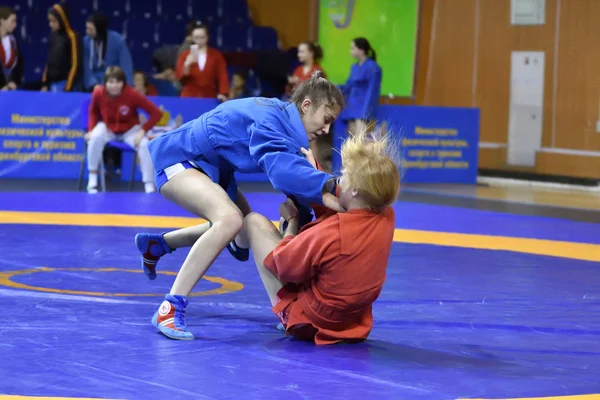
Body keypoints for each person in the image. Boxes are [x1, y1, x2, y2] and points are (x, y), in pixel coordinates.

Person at [134, 72, 345, 340]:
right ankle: (169, 307)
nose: (327, 130)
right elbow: (282, 171)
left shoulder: (286, 126)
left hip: (212, 169)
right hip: (179, 158)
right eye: (326, 120)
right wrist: (331, 187)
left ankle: (160, 244)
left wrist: (304, 212)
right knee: (230, 220)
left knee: (249, 231)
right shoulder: (270, 120)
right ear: (306, 106)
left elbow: (296, 185)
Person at [243, 131, 399, 345]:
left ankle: (237, 240)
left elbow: (283, 265)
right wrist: (314, 174)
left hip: (312, 323)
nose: (337, 181)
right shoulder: (386, 215)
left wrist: (293, 223)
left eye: (342, 176)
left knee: (253, 222)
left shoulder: (333, 232)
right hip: (353, 322)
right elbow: (345, 208)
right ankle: (233, 237)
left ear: (354, 190)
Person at [85, 66, 162, 194]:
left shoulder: (132, 94)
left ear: (123, 83)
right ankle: (92, 179)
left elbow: (156, 113)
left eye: (118, 82)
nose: (114, 86)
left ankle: (149, 184)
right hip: (108, 127)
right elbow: (93, 111)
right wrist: (90, 129)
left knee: (144, 145)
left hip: (130, 130)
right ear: (105, 83)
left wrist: (143, 130)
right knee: (94, 138)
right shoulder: (98, 93)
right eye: (110, 82)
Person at [339, 37, 382, 136]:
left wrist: (366, 111)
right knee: (351, 140)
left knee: (360, 139)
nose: (351, 51)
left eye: (353, 48)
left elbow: (372, 91)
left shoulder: (373, 67)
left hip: (363, 107)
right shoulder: (354, 67)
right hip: (351, 106)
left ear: (361, 50)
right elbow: (348, 86)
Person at [175, 22, 229, 100]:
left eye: (202, 37)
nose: (199, 40)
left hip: (209, 96)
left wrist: (223, 93)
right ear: (192, 38)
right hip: (189, 96)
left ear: (207, 37)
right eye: (196, 37)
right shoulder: (185, 55)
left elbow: (222, 75)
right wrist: (187, 64)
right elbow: (180, 78)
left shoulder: (216, 55)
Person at [83, 12, 133, 92]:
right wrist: (94, 84)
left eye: (91, 29)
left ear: (99, 29)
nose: (87, 32)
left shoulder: (118, 40)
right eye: (87, 28)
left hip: (115, 82)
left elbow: (126, 65)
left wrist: (127, 87)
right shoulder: (86, 41)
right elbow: (85, 67)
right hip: (94, 85)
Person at [41, 2, 82, 92]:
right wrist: (44, 83)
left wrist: (68, 88)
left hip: (65, 85)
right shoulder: (53, 35)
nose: (50, 24)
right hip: (51, 84)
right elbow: (49, 61)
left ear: (62, 20)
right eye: (50, 21)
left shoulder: (72, 37)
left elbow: (75, 65)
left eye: (54, 21)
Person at [0, 6, 23, 91]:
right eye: (12, 21)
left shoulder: (13, 40)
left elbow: (19, 65)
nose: (15, 25)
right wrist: (2, 85)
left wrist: (14, 82)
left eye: (15, 21)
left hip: (9, 88)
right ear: (2, 21)